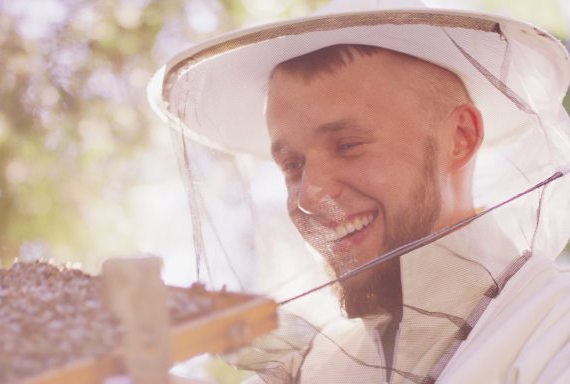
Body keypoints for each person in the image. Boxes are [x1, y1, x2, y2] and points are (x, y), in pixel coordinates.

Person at [149, 0, 570, 382]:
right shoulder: (313, 366)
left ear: (459, 137)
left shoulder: (555, 327)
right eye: (292, 165)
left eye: (347, 146)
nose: (309, 196)